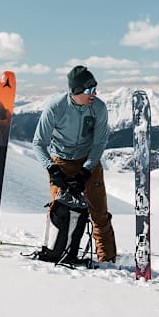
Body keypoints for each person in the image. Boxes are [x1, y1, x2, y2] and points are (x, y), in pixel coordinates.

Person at [32, 65, 117, 262]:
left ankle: (107, 260)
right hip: (60, 161)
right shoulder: (55, 107)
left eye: (95, 88)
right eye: (89, 90)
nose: (94, 93)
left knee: (99, 213)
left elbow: (99, 143)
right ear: (76, 91)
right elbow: (38, 143)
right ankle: (56, 252)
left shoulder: (98, 108)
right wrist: (52, 169)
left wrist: (86, 171)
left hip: (88, 160)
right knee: (60, 210)